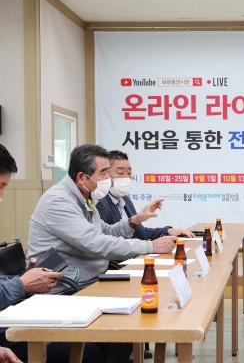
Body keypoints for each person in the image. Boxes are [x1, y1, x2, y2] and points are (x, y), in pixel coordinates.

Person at [27, 144, 178, 294]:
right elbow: (96, 243)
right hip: (66, 288)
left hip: (90, 280)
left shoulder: (85, 195)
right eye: (103, 173)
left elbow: (106, 231)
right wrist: (150, 246)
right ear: (81, 177)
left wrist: (135, 220)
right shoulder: (58, 202)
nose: (109, 180)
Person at [0, 144, 102, 363]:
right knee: (87, 351)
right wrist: (21, 284)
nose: (2, 195)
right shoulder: (58, 200)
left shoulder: (88, 199)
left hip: (12, 311)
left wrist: (22, 278)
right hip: (7, 323)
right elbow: (95, 242)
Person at [97, 150, 194, 239]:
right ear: (106, 174)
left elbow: (140, 233)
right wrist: (150, 247)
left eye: (129, 173)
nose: (127, 177)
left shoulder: (125, 199)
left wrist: (168, 231)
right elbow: (107, 240)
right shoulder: (99, 202)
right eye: (120, 172)